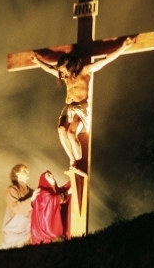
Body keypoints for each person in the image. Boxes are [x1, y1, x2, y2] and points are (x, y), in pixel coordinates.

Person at [29, 36, 136, 172]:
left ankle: (79, 161)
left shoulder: (85, 71)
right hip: (69, 108)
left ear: (70, 66)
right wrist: (37, 61)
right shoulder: (65, 78)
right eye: (61, 71)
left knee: (71, 133)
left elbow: (105, 60)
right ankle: (72, 159)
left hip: (81, 108)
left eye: (63, 69)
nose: (61, 73)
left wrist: (123, 47)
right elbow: (49, 68)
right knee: (61, 130)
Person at [2, 163, 38, 248]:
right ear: (16, 173)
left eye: (28, 171)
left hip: (28, 231)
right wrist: (32, 199)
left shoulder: (32, 192)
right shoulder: (12, 190)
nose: (28, 172)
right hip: (14, 232)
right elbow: (16, 208)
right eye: (24, 171)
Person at [31, 170, 70, 244]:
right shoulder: (41, 192)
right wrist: (67, 193)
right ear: (44, 180)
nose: (52, 176)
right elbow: (52, 201)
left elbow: (63, 191)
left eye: (52, 175)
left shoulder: (55, 192)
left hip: (53, 236)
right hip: (44, 237)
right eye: (48, 175)